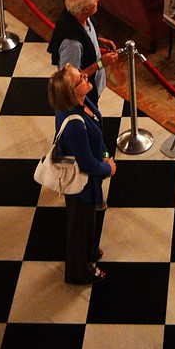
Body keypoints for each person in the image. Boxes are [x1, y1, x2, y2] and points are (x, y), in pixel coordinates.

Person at [46, 63, 115, 285]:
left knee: (88, 219)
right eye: (80, 79)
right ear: (71, 92)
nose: (86, 77)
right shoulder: (74, 123)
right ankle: (78, 271)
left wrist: (104, 153)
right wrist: (108, 169)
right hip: (80, 183)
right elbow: (85, 163)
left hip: (89, 178)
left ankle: (90, 251)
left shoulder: (84, 102)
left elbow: (97, 133)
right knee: (79, 223)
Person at [47, 0, 118, 104]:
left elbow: (86, 34)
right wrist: (101, 63)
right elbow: (69, 81)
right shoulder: (71, 45)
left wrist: (100, 40)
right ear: (85, 9)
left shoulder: (79, 16)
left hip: (94, 85)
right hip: (84, 96)